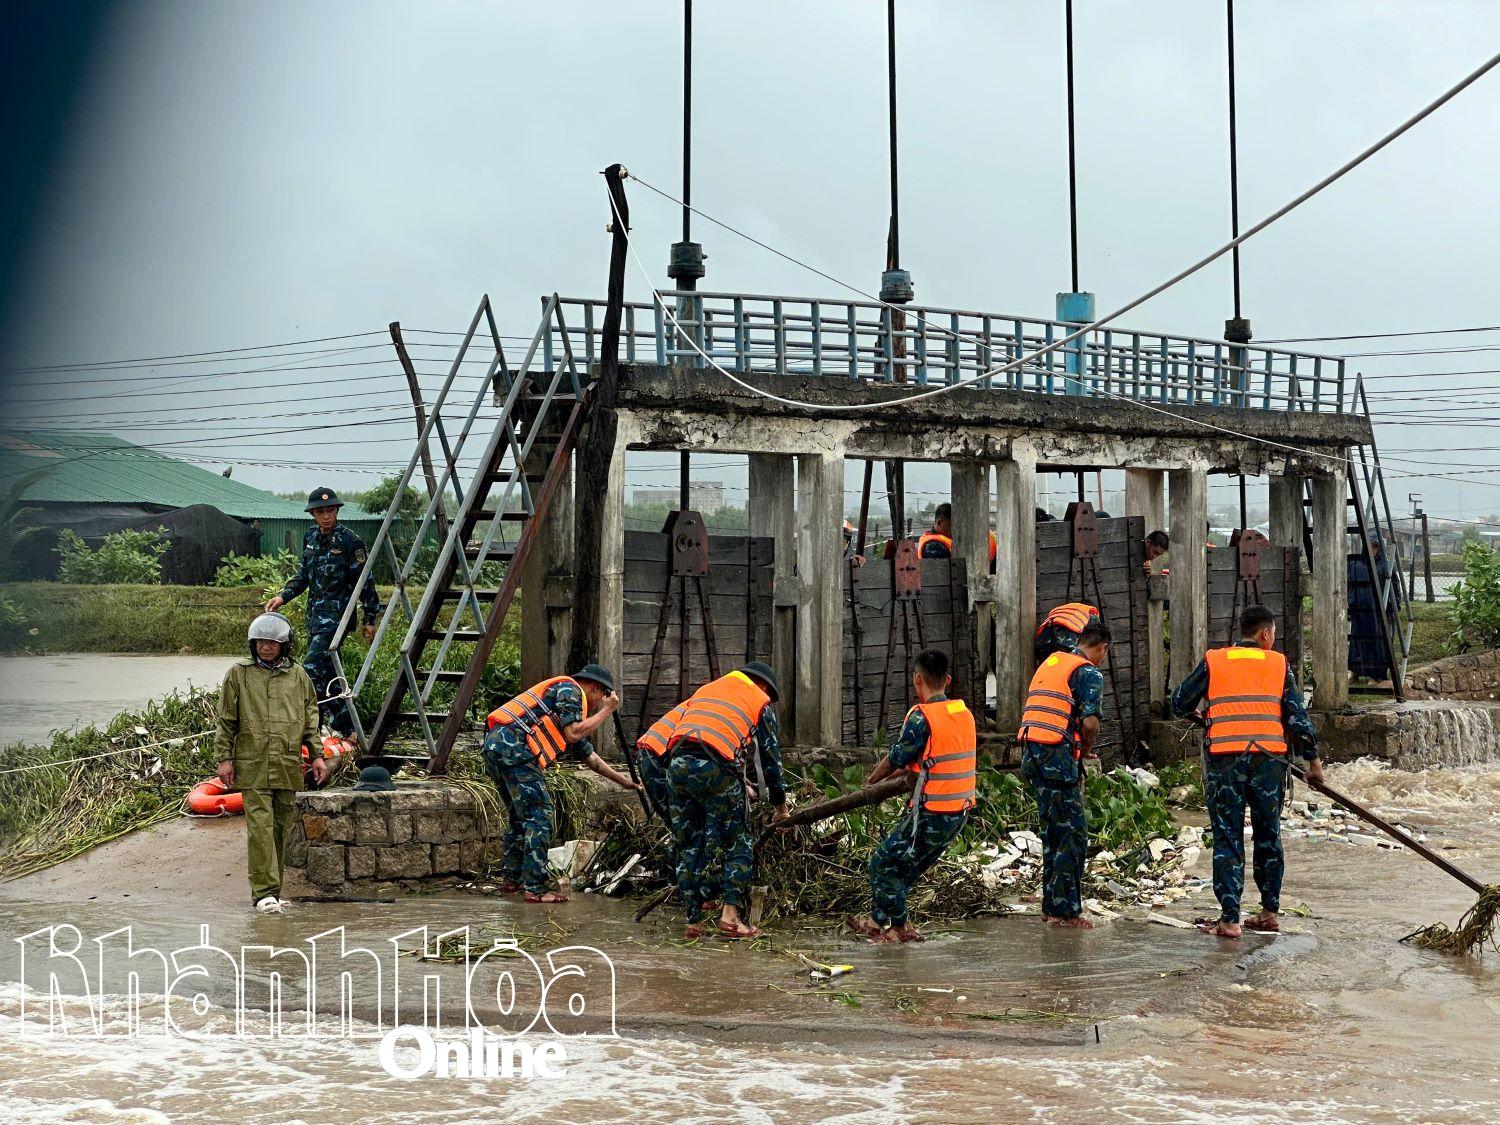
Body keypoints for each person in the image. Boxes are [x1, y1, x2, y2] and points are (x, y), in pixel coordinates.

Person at [1170, 605, 1322, 939]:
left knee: (1228, 836)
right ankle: (1268, 913)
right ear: (1265, 634)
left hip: (1225, 761)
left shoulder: (1215, 661)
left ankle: (1230, 920)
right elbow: (1297, 718)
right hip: (1269, 762)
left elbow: (1178, 702)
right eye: (1274, 634)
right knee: (1269, 835)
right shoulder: (1278, 664)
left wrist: (1207, 717)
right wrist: (1313, 763)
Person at [482, 664, 642, 903]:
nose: (597, 705)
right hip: (515, 748)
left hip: (496, 748)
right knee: (541, 816)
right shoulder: (570, 689)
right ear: (596, 688)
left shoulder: (567, 709)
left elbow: (590, 758)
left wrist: (625, 781)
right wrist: (607, 710)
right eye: (601, 698)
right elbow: (574, 733)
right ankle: (535, 890)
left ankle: (512, 881)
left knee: (519, 818)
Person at [848, 649, 977, 944]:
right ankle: (877, 922)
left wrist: (870, 783)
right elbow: (923, 760)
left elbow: (895, 759)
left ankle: (901, 927)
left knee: (882, 863)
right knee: (903, 867)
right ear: (947, 680)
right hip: (959, 812)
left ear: (917, 679)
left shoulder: (922, 718)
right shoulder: (963, 714)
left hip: (932, 814)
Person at [667, 661, 788, 940]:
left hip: (677, 766)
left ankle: (694, 922)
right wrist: (780, 806)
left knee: (688, 844)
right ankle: (731, 918)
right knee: (738, 841)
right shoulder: (758, 700)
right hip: (714, 767)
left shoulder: (708, 689)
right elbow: (770, 761)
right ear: (763, 685)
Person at [214, 612, 321, 914]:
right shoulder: (239, 674)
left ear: (283, 645)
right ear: (253, 644)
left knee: (280, 828)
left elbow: (310, 719)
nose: (266, 647)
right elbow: (226, 720)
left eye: (272, 642)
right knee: (260, 828)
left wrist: (317, 756)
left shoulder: (298, 676)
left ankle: (274, 892)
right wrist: (224, 758)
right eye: (261, 642)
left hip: (286, 763)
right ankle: (262, 893)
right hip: (253, 763)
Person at [265, 487, 381, 746]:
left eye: (330, 511)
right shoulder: (310, 538)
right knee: (329, 677)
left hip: (337, 621)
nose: (326, 516)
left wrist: (370, 619)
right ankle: (349, 729)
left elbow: (365, 582)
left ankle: (310, 732)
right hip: (315, 619)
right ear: (313, 514)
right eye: (320, 512)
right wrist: (282, 596)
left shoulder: (350, 542)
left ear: (337, 511)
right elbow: (304, 576)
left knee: (310, 671)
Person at [1017, 620, 1112, 929]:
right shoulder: (1088, 673)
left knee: (1053, 834)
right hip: (1056, 759)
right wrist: (1086, 751)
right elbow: (1090, 723)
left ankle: (1051, 907)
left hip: (1032, 755)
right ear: (1102, 648)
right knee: (1073, 835)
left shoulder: (1052, 662)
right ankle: (1066, 912)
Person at [635, 701, 687, 822]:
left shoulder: (702, 699)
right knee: (680, 820)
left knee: (674, 819)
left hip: (648, 750)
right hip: (659, 755)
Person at [1033, 601, 1102, 662]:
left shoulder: (1065, 609)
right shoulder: (1090, 614)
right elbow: (1096, 635)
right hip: (1064, 645)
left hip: (1042, 644)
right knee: (1061, 663)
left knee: (1050, 663)